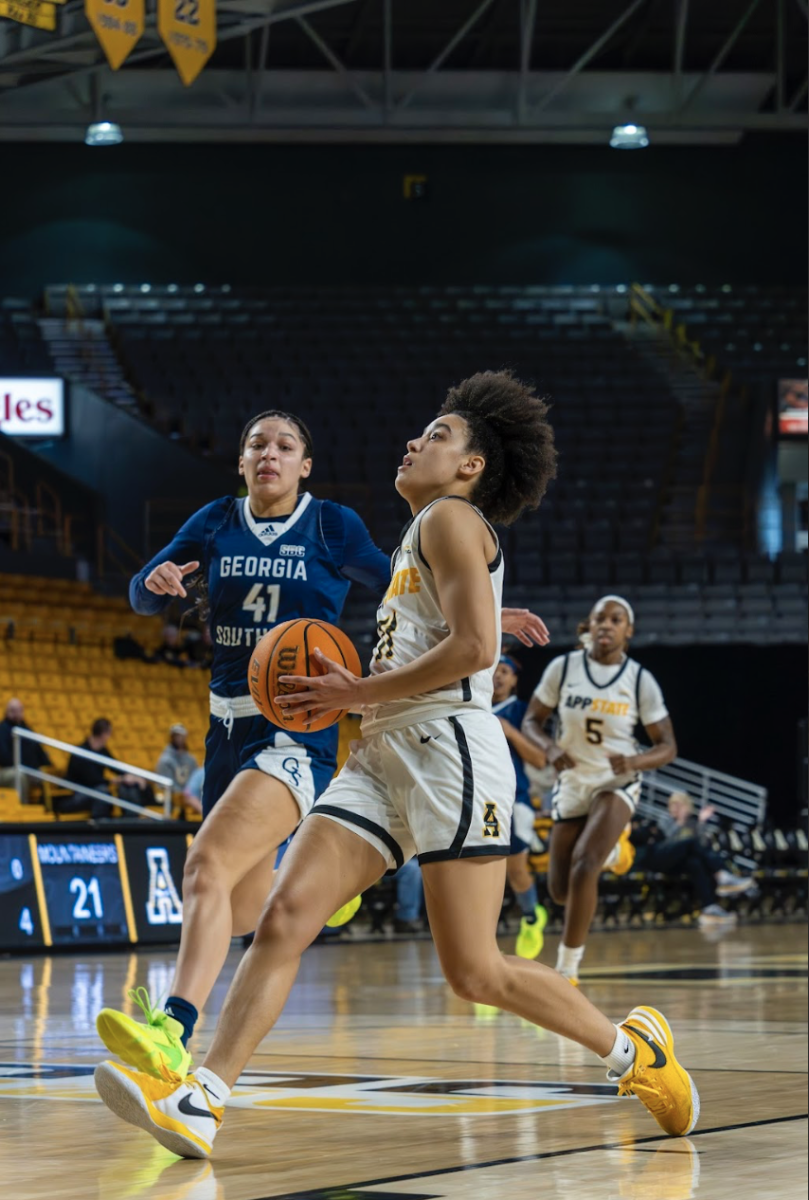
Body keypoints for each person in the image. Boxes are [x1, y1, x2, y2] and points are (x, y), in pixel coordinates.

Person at [94, 371, 699, 1158]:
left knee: (474, 972)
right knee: (283, 918)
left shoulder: (451, 517)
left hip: (450, 750)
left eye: (439, 435)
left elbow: (475, 652)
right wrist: (362, 701)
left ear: (471, 466)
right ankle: (201, 1099)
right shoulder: (416, 537)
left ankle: (631, 1050)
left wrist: (352, 691)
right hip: (381, 754)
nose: (417, 441)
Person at [95, 403, 553, 1080]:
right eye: (256, 444)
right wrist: (151, 582)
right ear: (243, 461)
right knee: (248, 909)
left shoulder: (331, 525)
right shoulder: (215, 521)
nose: (268, 454)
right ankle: (335, 884)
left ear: (304, 465)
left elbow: (395, 577)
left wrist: (481, 610)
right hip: (225, 724)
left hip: (296, 725)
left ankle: (172, 1031)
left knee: (203, 869)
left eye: (284, 445)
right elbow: (139, 593)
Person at [522, 597, 677, 986]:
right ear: (588, 626)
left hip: (616, 781)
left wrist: (634, 763)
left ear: (629, 631)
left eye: (615, 619)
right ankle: (615, 853)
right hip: (573, 781)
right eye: (599, 619)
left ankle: (567, 969)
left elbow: (667, 747)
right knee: (560, 892)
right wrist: (551, 748)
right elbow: (531, 722)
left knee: (584, 864)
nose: (606, 625)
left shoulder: (639, 680)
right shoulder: (563, 668)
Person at [492, 653, 549, 960]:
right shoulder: (469, 705)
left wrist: (510, 731)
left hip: (513, 801)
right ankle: (484, 947)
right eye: (494, 670)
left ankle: (531, 917)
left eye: (505, 671)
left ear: (514, 680)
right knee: (482, 870)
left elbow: (540, 759)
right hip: (472, 798)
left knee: (513, 869)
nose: (498, 676)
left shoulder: (520, 712)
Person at [634, 792, 755, 927]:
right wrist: (681, 822)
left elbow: (702, 845)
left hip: (677, 865)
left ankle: (709, 908)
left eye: (678, 805)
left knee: (695, 862)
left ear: (687, 806)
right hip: (660, 859)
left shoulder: (692, 822)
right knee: (690, 843)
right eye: (672, 804)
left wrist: (701, 823)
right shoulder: (664, 820)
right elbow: (671, 843)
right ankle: (723, 877)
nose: (674, 808)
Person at [60, 718, 150, 818]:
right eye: (109, 733)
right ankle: (101, 825)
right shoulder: (80, 752)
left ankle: (131, 820)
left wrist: (131, 776)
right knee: (102, 791)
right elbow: (92, 780)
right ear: (103, 734)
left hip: (94, 790)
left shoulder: (102, 751)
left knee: (126, 786)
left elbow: (115, 766)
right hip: (77, 794)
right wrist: (116, 780)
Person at [0, 697, 50, 804]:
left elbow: (37, 751)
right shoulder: (2, 729)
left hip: (26, 768)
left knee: (45, 775)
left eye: (19, 710)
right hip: (7, 770)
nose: (16, 714)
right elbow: (4, 758)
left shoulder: (25, 728)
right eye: (13, 710)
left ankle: (47, 809)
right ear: (7, 712)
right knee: (19, 776)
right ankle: (21, 809)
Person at [156, 724, 199, 794]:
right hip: (171, 796)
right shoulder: (165, 760)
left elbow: (194, 781)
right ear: (172, 737)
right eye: (176, 736)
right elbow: (164, 783)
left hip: (189, 796)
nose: (179, 739)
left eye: (181, 736)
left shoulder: (191, 760)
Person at [392, 857, 424, 934]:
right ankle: (406, 918)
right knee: (412, 869)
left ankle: (431, 920)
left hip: (406, 859)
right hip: (385, 862)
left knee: (429, 866)